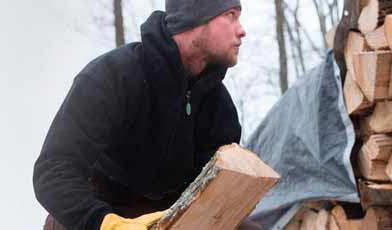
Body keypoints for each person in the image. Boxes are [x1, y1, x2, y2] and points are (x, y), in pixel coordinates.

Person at [33, 0, 254, 229]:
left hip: (172, 216)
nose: (241, 30)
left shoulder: (220, 107)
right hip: (98, 211)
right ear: (194, 18)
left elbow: (210, 192)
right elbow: (53, 170)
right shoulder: (113, 76)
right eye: (230, 16)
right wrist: (108, 224)